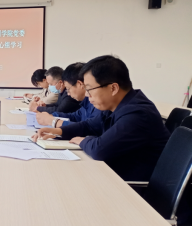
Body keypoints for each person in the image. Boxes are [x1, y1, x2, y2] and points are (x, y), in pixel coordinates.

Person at [33, 55, 170, 181]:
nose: (87, 95)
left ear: (113, 88)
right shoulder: (115, 106)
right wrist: (58, 131)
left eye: (89, 89)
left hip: (134, 187)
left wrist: (84, 140)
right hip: (115, 174)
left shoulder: (138, 114)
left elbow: (99, 149)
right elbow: (89, 125)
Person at [36, 62, 100, 127]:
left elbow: (89, 128)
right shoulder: (85, 102)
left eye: (68, 89)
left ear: (80, 84)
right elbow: (75, 116)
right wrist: (53, 115)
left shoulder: (97, 104)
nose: (68, 93)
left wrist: (54, 121)